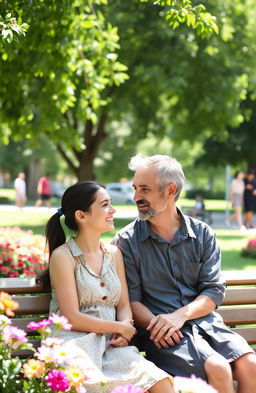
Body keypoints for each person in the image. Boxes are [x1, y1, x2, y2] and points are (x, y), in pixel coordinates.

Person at [113, 154, 256, 393]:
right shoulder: (127, 241)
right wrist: (162, 325)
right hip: (163, 335)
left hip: (207, 325)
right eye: (135, 189)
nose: (136, 197)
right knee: (218, 368)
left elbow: (213, 290)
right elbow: (131, 300)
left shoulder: (202, 234)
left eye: (145, 189)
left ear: (170, 191)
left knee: (251, 365)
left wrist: (180, 316)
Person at [38, 181, 174, 393]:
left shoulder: (113, 254)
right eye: (104, 205)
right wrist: (119, 328)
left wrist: (125, 328)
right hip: (74, 345)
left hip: (111, 345)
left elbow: (123, 304)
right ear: (82, 216)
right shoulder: (63, 256)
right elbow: (72, 317)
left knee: (161, 383)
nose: (113, 210)